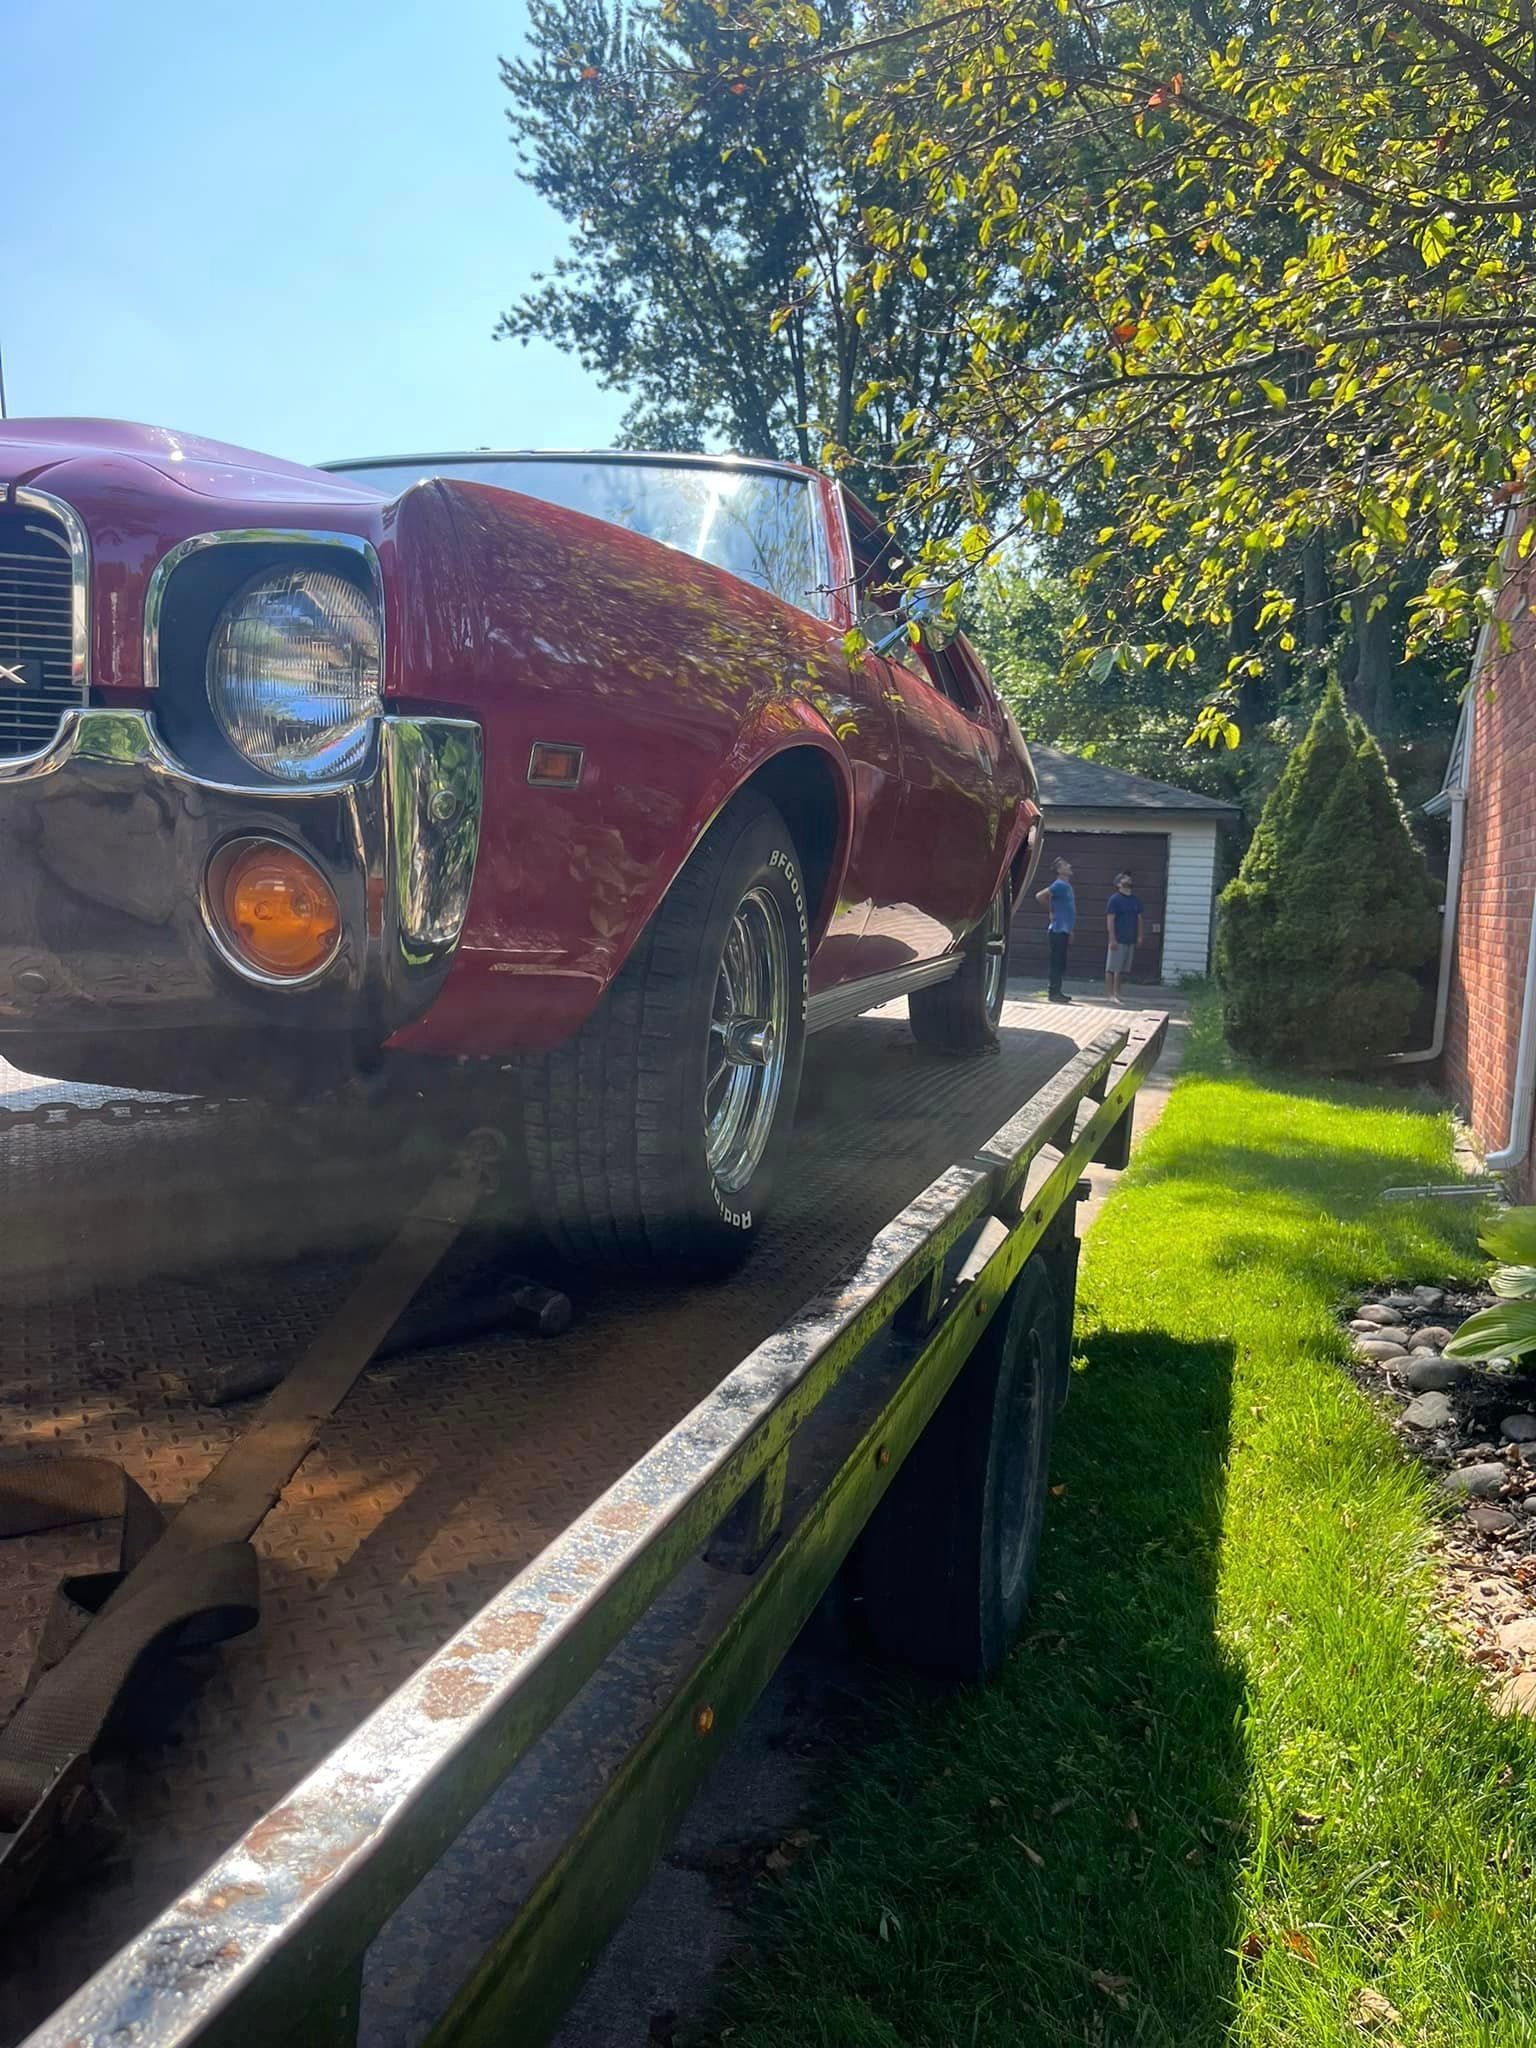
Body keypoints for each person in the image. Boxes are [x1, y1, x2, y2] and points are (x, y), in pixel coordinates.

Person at [1035, 856, 1075, 1003]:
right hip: (1057, 930)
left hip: (1064, 930)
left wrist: (1070, 930)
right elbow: (1040, 896)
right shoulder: (1058, 885)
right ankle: (1053, 992)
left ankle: (1058, 991)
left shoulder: (1067, 886)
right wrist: (1051, 911)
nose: (1069, 866)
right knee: (1056, 962)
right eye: (1066, 865)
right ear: (1059, 870)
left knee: (1061, 962)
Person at [1104, 869, 1144, 1005]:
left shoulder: (1135, 900)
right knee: (1112, 968)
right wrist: (1112, 938)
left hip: (1130, 938)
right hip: (1118, 938)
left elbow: (1139, 919)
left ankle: (1118, 993)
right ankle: (1110, 995)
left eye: (1129, 878)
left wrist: (1139, 936)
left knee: (1122, 969)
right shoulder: (1114, 900)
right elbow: (1110, 919)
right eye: (1124, 878)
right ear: (1118, 884)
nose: (1128, 880)